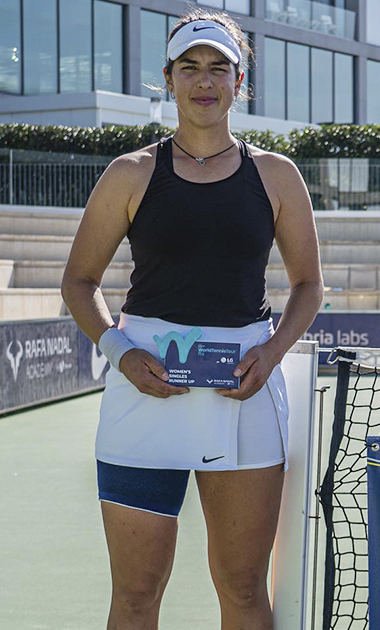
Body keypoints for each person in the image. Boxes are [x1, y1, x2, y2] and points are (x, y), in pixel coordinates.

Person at [60, 8, 323, 629]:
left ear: (240, 83)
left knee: (242, 589)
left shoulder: (277, 176)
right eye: (190, 68)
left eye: (218, 68)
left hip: (245, 389)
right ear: (168, 79)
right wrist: (121, 352)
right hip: (142, 387)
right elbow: (79, 281)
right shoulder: (129, 173)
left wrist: (273, 352)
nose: (204, 81)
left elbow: (309, 286)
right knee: (136, 592)